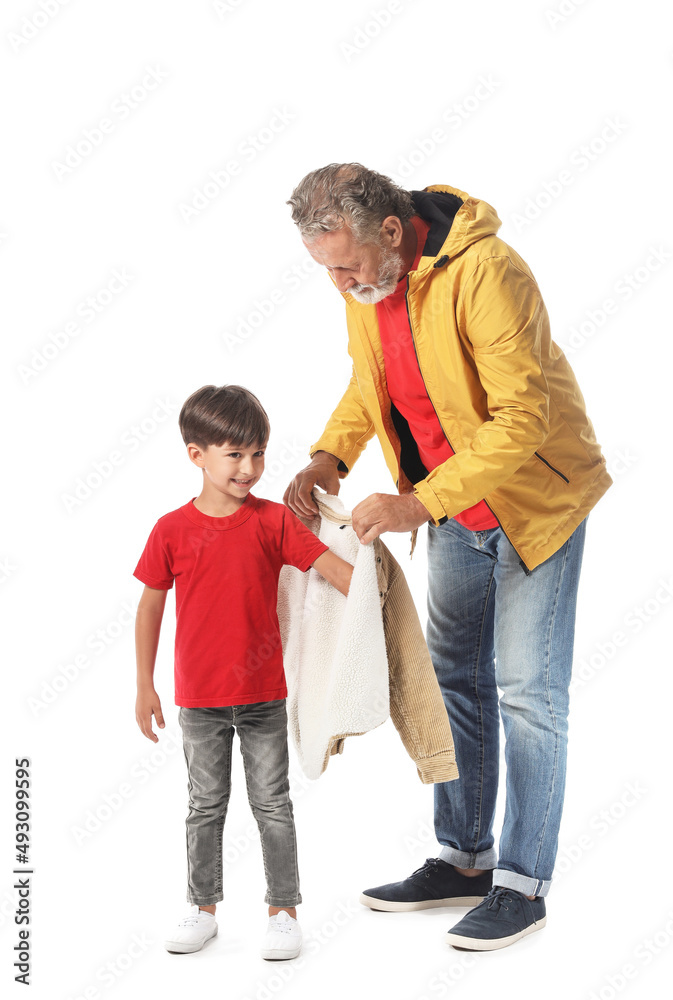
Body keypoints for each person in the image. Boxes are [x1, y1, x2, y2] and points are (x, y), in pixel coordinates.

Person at [284, 163, 612, 951]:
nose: (337, 283)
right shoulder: (368, 290)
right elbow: (371, 384)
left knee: (528, 694)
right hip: (451, 508)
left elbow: (519, 421)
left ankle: (522, 885)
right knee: (453, 681)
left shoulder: (489, 273)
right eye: (323, 269)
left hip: (534, 505)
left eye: (344, 264)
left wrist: (414, 503)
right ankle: (465, 858)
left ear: (391, 232)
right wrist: (330, 455)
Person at [133, 384, 353, 960]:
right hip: (199, 700)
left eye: (258, 453)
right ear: (196, 454)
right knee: (204, 806)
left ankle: (284, 911)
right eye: (235, 454)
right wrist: (143, 685)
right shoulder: (170, 530)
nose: (250, 467)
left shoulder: (274, 522)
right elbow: (151, 604)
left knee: (273, 804)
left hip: (263, 697)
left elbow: (335, 571)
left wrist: (375, 568)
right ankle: (201, 908)